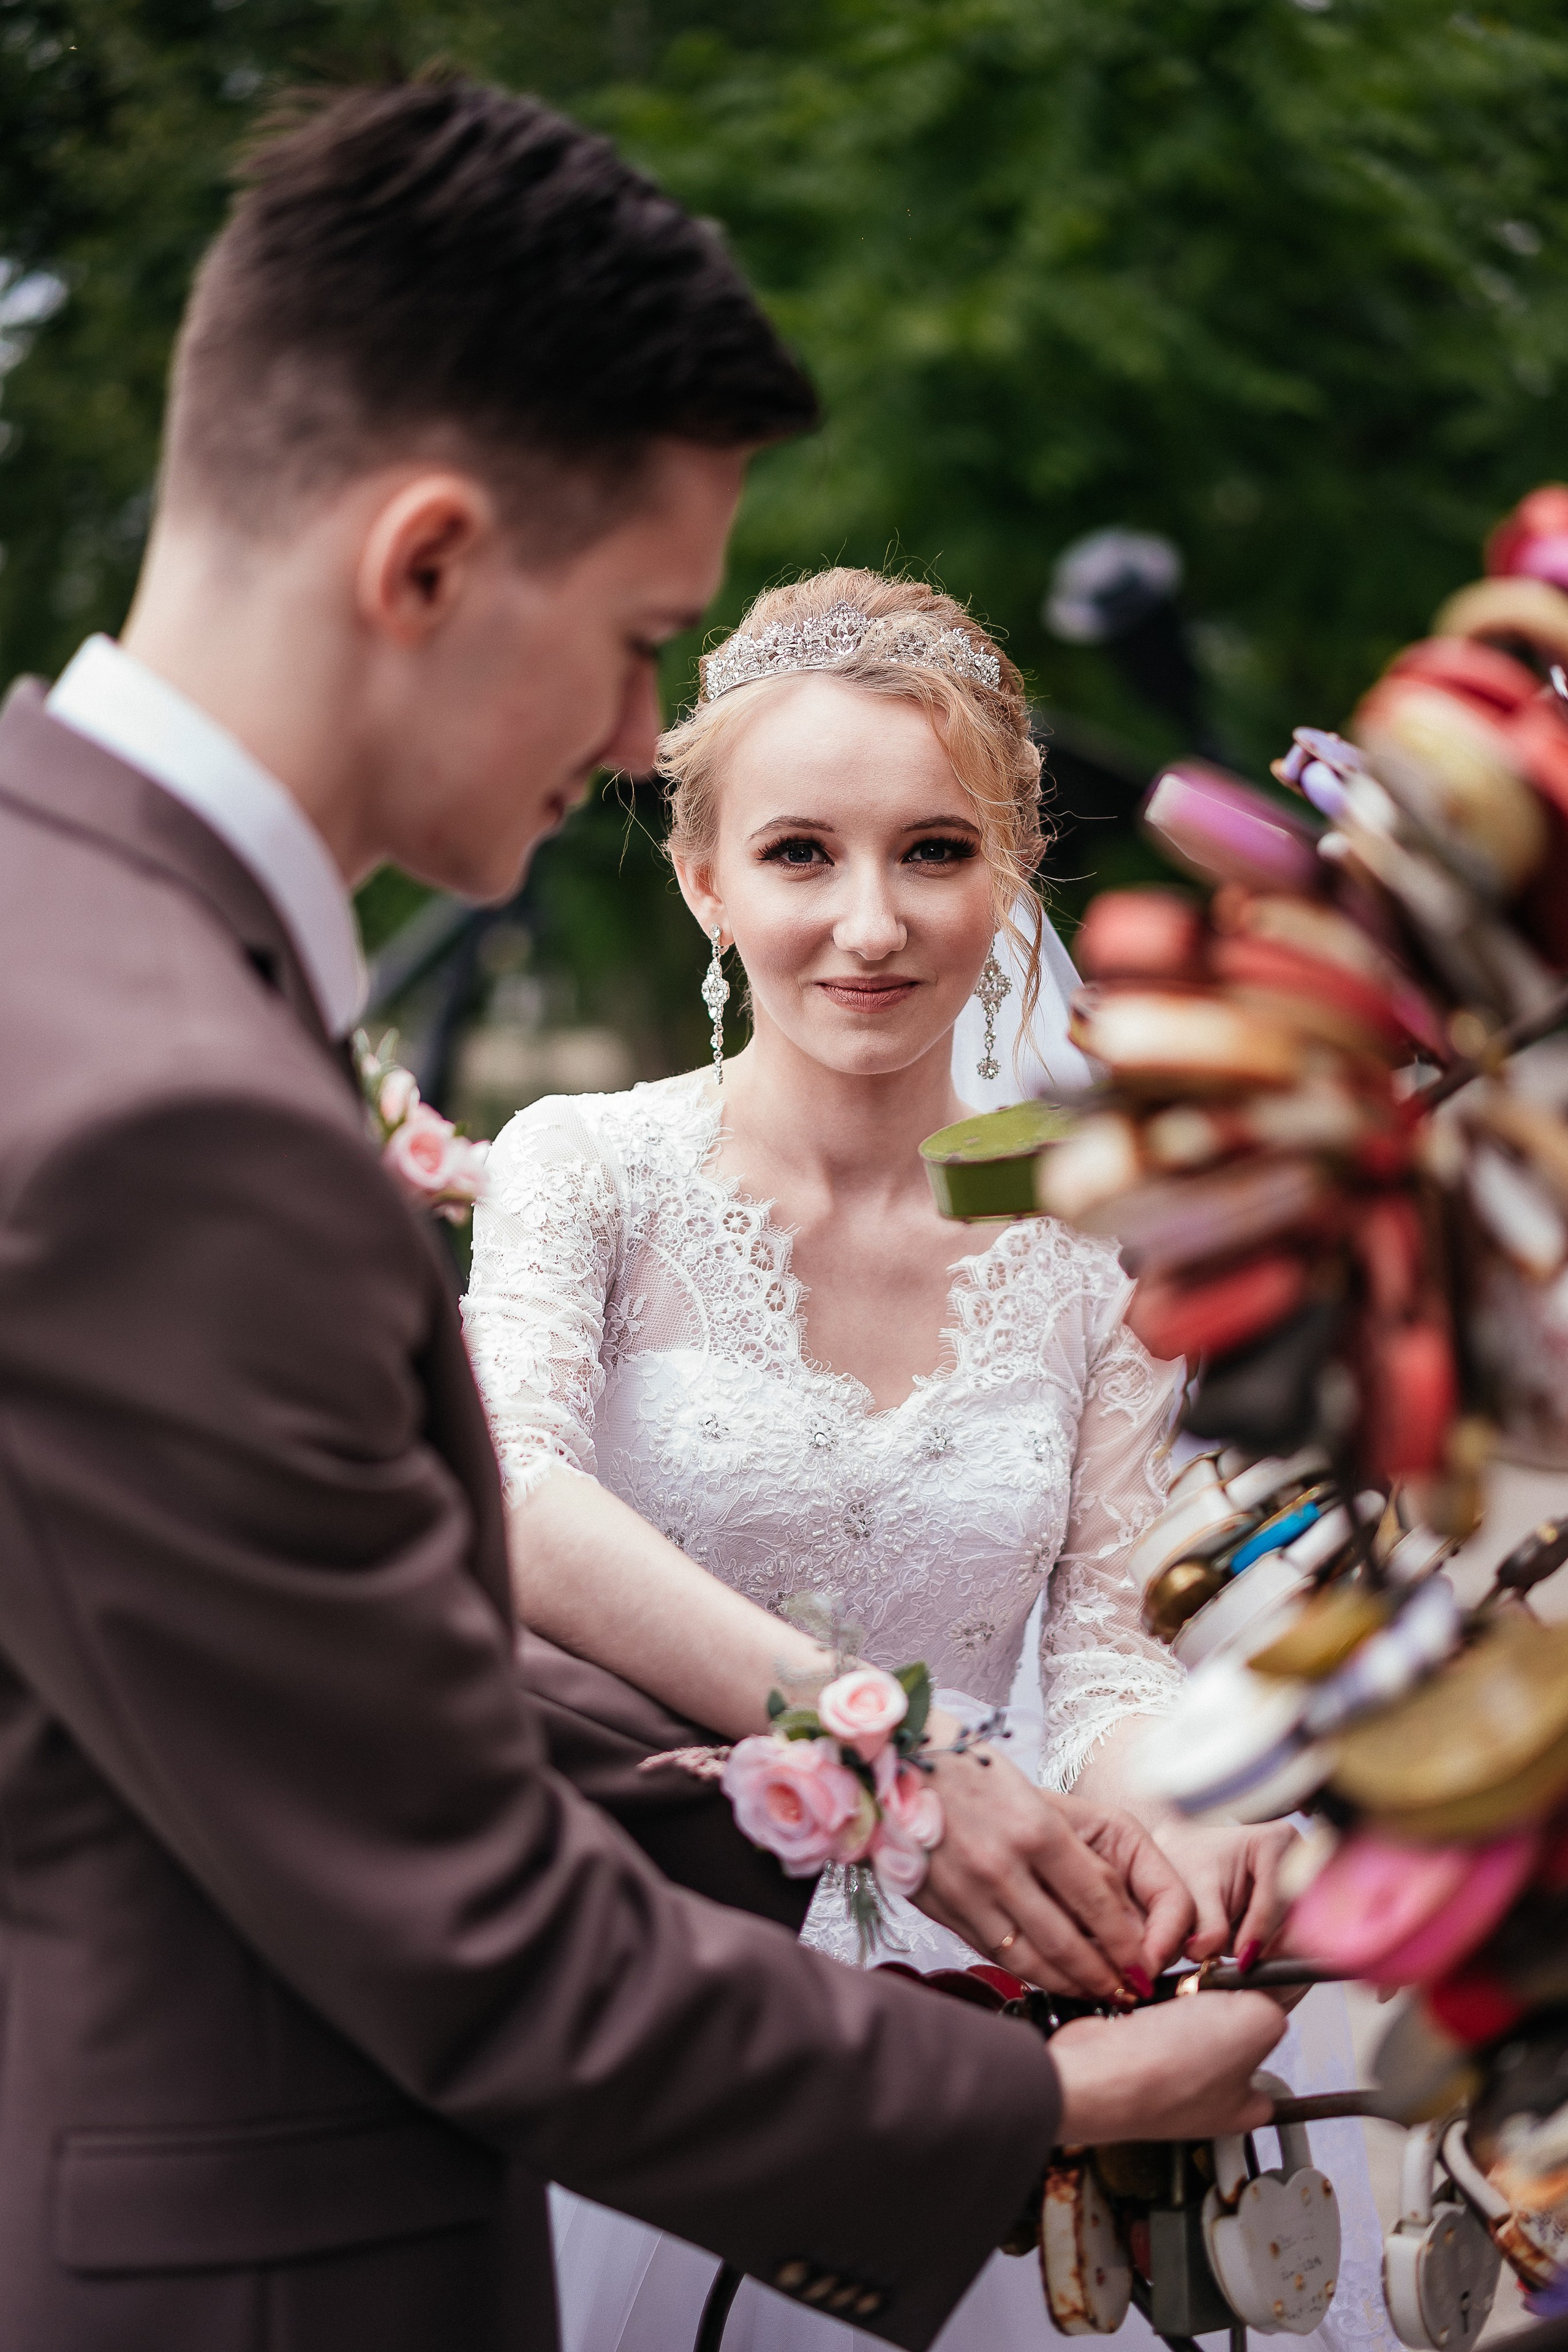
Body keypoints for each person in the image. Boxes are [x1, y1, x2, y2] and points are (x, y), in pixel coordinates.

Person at [0, 74, 1286, 2352]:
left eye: (932, 853)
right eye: (635, 641)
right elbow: (467, 1915)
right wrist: (1047, 2095)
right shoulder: (165, 1109)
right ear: (423, 562)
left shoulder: (76, 948)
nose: (628, 739)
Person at [461, 568, 1300, 2351]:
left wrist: (1162, 1818)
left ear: (1011, 874)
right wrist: (896, 1764)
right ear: (702, 879)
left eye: (934, 851)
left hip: (1005, 1969)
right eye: (798, 855)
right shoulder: (581, 1169)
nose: (871, 924)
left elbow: (1102, 1632)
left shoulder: (1100, 1236)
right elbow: (513, 1506)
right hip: (661, 1968)